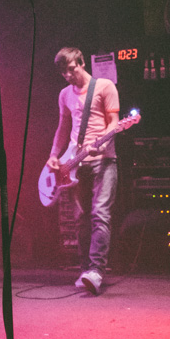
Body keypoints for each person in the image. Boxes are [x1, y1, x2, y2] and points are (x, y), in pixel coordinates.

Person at [47, 47, 120, 295]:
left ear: (81, 63)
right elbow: (62, 127)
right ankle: (85, 269)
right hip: (76, 160)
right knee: (80, 218)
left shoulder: (105, 87)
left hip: (104, 160)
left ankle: (97, 272)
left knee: (100, 213)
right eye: (63, 72)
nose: (68, 75)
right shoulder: (64, 94)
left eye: (71, 69)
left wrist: (100, 143)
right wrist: (54, 156)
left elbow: (114, 124)